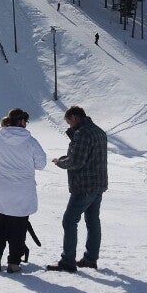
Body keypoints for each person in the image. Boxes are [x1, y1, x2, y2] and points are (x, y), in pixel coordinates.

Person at [48, 105, 108, 273]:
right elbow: (86, 157)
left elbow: (76, 162)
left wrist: (60, 162)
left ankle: (68, 261)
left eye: (68, 122)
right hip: (98, 185)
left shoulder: (82, 134)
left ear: (74, 117)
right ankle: (90, 258)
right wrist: (66, 158)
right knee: (93, 221)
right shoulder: (99, 131)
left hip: (84, 186)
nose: (69, 126)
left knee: (69, 220)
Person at [0, 108, 46, 273]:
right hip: (22, 192)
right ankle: (13, 263)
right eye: (25, 121)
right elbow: (41, 164)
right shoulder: (31, 141)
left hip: (2, 190)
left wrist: (2, 129)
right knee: (18, 228)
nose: (26, 124)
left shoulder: (0, 137)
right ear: (21, 121)